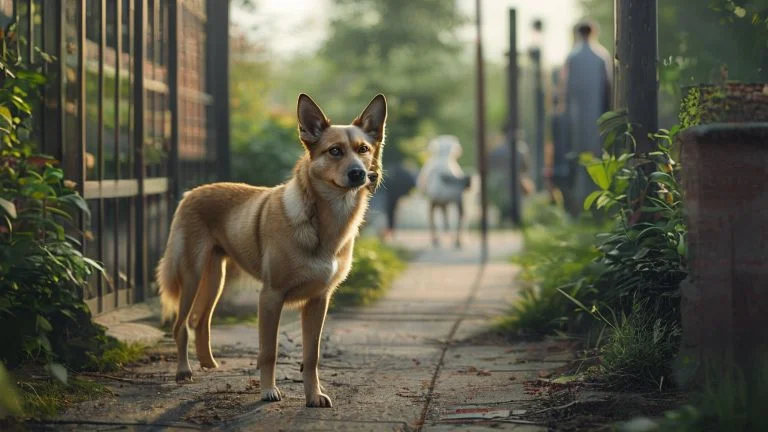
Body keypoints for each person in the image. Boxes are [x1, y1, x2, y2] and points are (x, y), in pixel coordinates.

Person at [562, 19, 612, 217]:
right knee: (597, 157)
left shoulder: (572, 56)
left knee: (579, 157)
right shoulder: (601, 56)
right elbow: (608, 87)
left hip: (576, 117)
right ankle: (599, 205)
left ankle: (581, 204)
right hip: (598, 115)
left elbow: (566, 89)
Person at [379, 161, 416, 241]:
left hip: (392, 195)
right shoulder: (405, 173)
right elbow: (412, 183)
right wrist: (406, 193)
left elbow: (385, 183)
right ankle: (391, 232)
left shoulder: (392, 171)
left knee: (390, 213)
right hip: (399, 195)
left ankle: (391, 232)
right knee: (393, 213)